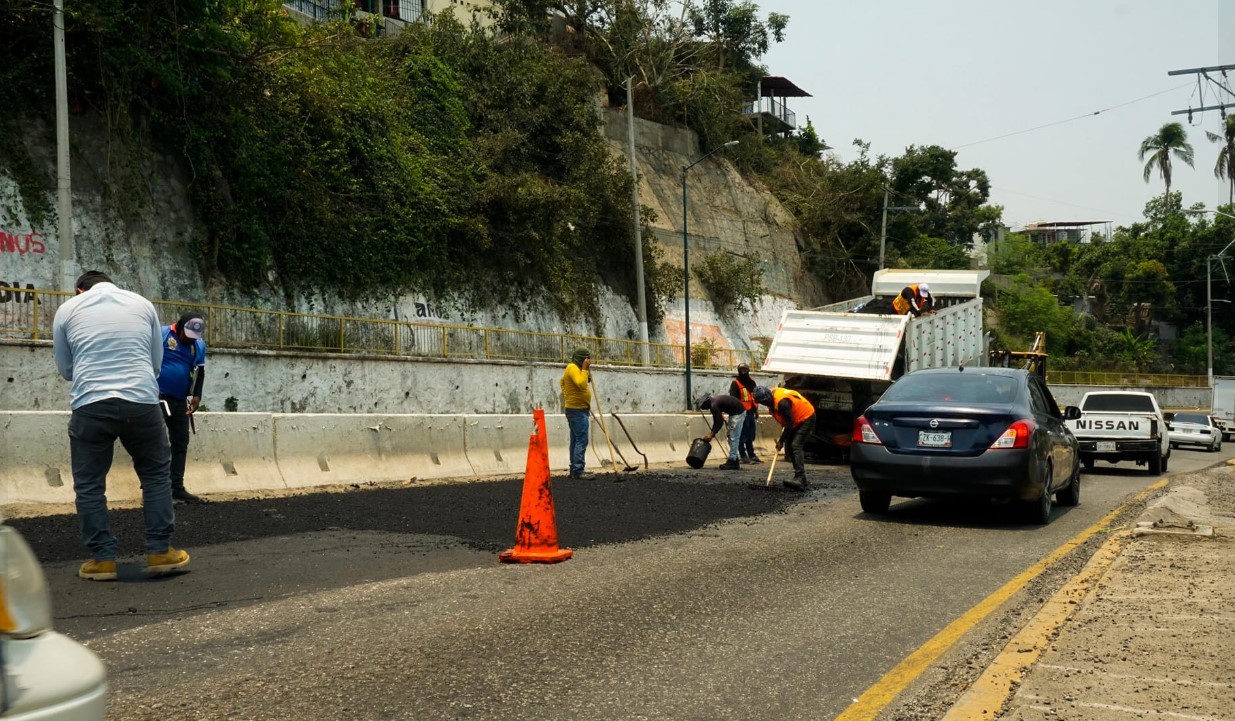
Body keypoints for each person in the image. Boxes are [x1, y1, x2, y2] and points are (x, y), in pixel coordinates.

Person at [52, 270, 190, 581]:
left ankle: (103, 560)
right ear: (113, 283)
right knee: (155, 475)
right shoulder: (142, 305)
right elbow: (155, 364)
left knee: (89, 484)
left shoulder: (67, 310)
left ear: (79, 290)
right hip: (140, 402)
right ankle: (159, 551)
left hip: (91, 403)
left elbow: (65, 369)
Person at [159, 312, 209, 504]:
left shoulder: (198, 346)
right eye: (186, 333)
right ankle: (154, 490)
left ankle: (176, 488)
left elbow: (200, 371)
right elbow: (145, 359)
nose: (188, 338)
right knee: (156, 444)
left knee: (180, 442)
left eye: (192, 336)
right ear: (179, 326)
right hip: (157, 398)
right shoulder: (162, 334)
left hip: (180, 400)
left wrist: (197, 395)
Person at [752, 385, 816, 492]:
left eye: (765, 402)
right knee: (789, 447)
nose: (765, 404)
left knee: (796, 445)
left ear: (768, 396)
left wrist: (781, 441)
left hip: (806, 417)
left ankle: (800, 477)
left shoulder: (782, 403)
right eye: (763, 403)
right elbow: (786, 421)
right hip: (794, 419)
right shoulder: (772, 399)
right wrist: (784, 439)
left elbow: (789, 423)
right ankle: (800, 478)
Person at [560, 347, 592, 479]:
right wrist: (584, 369)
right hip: (577, 411)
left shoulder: (576, 369)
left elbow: (562, 382)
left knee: (575, 439)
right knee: (582, 440)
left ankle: (574, 469)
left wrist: (569, 394)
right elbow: (580, 384)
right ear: (582, 358)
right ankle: (578, 470)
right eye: (587, 358)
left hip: (579, 409)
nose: (589, 361)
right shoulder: (572, 367)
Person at [696, 392, 746, 470]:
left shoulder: (714, 405)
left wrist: (712, 434)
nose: (703, 408)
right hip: (736, 412)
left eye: (702, 406)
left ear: (706, 403)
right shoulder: (715, 402)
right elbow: (716, 421)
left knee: (733, 437)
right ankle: (734, 459)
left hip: (738, 413)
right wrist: (712, 433)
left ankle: (733, 461)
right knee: (731, 436)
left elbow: (719, 423)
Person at [729, 363, 761, 463]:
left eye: (745, 370)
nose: (744, 372)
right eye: (741, 370)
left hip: (751, 411)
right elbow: (733, 399)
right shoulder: (736, 383)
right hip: (742, 412)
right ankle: (743, 455)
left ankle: (752, 454)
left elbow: (754, 397)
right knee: (743, 435)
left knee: (751, 434)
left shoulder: (752, 382)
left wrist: (756, 410)